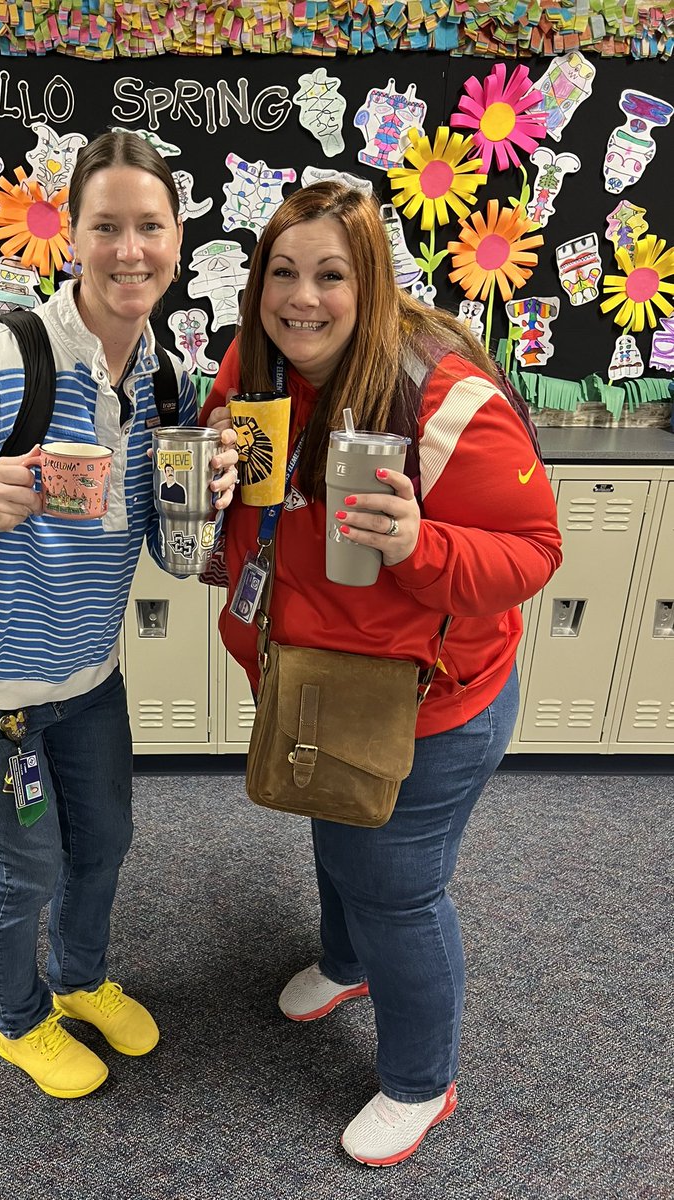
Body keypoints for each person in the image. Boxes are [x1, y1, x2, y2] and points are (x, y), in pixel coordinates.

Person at [0, 131, 239, 1100]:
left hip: (83, 678)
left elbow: (159, 546)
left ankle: (79, 979)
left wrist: (208, 495)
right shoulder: (0, 363)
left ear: (178, 238)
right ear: (69, 240)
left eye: (148, 227)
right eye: (105, 227)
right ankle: (17, 1022)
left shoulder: (162, 380)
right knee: (22, 870)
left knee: (103, 843)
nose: (129, 251)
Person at [200, 182, 562, 1166]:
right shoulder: (254, 366)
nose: (302, 299)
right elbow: (225, 476)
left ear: (371, 282)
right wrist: (209, 468)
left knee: (396, 888)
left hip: (429, 706)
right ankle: (347, 961)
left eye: (331, 275)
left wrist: (419, 542)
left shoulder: (444, 398)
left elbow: (534, 553)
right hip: (311, 678)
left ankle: (420, 1081)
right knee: (336, 835)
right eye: (284, 273)